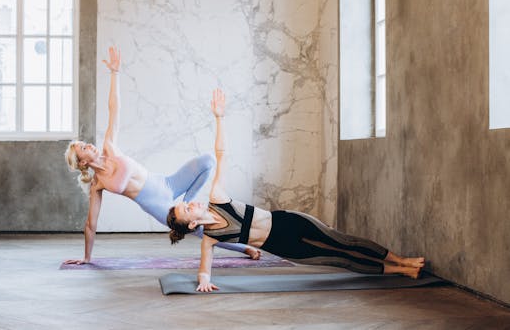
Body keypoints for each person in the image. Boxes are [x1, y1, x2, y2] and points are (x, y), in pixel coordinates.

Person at [167, 88, 426, 292]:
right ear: (191, 225)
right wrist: (203, 280)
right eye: (187, 209)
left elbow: (221, 155)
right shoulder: (211, 240)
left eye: (187, 203)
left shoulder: (217, 199)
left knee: (343, 241)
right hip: (283, 246)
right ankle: (400, 271)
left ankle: (401, 259)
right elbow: (205, 269)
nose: (192, 203)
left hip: (288, 221)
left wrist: (220, 118)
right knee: (339, 259)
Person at [63, 46, 259, 265]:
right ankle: (245, 248)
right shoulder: (98, 185)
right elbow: (91, 223)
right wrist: (86, 257)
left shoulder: (110, 146)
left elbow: (114, 108)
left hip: (166, 183)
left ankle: (188, 201)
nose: (89, 145)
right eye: (83, 148)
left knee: (208, 160)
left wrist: (115, 74)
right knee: (200, 230)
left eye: (86, 143)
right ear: (82, 162)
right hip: (157, 205)